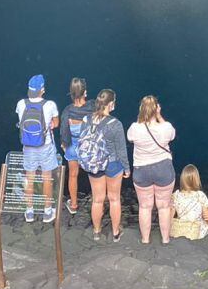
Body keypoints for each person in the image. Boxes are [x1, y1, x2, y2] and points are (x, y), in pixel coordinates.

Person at [81, 89, 130, 241]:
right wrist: (127, 168)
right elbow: (121, 150)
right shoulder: (115, 124)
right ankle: (116, 233)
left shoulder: (86, 120)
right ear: (110, 104)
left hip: (94, 163)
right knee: (114, 198)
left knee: (97, 199)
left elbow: (81, 142)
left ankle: (96, 232)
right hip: (113, 164)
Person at [127, 95, 176, 245]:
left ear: (141, 109)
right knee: (164, 206)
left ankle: (145, 239)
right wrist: (159, 116)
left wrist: (143, 116)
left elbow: (130, 138)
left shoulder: (134, 128)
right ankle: (165, 239)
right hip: (163, 169)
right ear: (157, 109)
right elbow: (172, 134)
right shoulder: (165, 127)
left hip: (142, 170)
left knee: (144, 206)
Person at [16, 73, 60, 223]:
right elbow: (56, 123)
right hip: (45, 145)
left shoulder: (21, 103)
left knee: (29, 178)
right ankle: (47, 212)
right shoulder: (50, 105)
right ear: (42, 89)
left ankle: (29, 212)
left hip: (28, 146)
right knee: (47, 178)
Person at [60, 77, 94, 215]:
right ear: (85, 92)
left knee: (73, 175)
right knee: (94, 174)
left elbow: (64, 131)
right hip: (89, 146)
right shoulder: (92, 107)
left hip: (73, 145)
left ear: (71, 93)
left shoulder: (67, 111)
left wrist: (64, 145)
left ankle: (73, 205)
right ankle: (97, 203)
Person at [170, 164, 208, 241]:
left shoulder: (176, 195)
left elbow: (170, 215)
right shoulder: (200, 195)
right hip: (195, 231)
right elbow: (206, 216)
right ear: (197, 180)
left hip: (180, 229)